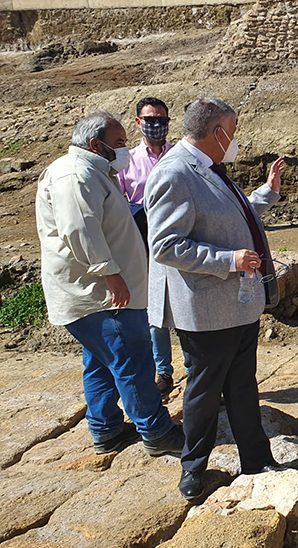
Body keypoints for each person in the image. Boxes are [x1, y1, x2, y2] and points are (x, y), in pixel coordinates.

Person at [145, 98, 286, 500]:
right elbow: (167, 246)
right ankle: (193, 468)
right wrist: (229, 260)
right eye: (233, 131)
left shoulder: (210, 169)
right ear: (217, 133)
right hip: (205, 308)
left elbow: (229, 218)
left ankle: (256, 458)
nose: (236, 140)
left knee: (243, 386)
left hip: (238, 303)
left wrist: (266, 195)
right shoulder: (174, 173)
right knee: (204, 392)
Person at [36, 111, 184, 457]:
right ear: (94, 144)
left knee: (101, 363)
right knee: (132, 361)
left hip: (98, 293)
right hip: (101, 294)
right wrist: (110, 274)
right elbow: (79, 230)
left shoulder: (94, 173)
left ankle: (107, 429)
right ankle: (157, 432)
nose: (125, 149)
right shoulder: (75, 175)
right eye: (118, 143)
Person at [116, 96, 177, 397]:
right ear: (138, 122)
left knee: (184, 304)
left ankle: (198, 370)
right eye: (150, 119)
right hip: (143, 244)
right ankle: (163, 372)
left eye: (161, 120)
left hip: (179, 239)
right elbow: (118, 204)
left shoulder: (178, 155)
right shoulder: (126, 162)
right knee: (155, 310)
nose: (156, 125)